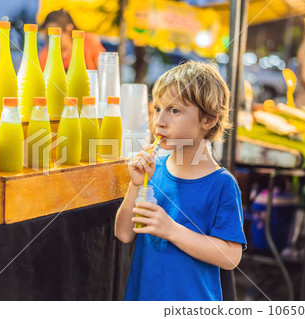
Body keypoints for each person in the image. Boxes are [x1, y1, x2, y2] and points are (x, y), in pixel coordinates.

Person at [115, 62, 247, 301]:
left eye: (174, 110)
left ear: (208, 120)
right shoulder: (153, 172)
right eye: (157, 109)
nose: (159, 122)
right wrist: (135, 184)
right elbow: (124, 233)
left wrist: (171, 230)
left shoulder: (222, 185)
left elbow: (231, 257)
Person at [38, 9, 106, 71]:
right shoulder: (45, 55)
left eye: (57, 34)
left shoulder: (88, 42)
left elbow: (104, 71)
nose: (52, 38)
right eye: (49, 34)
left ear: (69, 28)